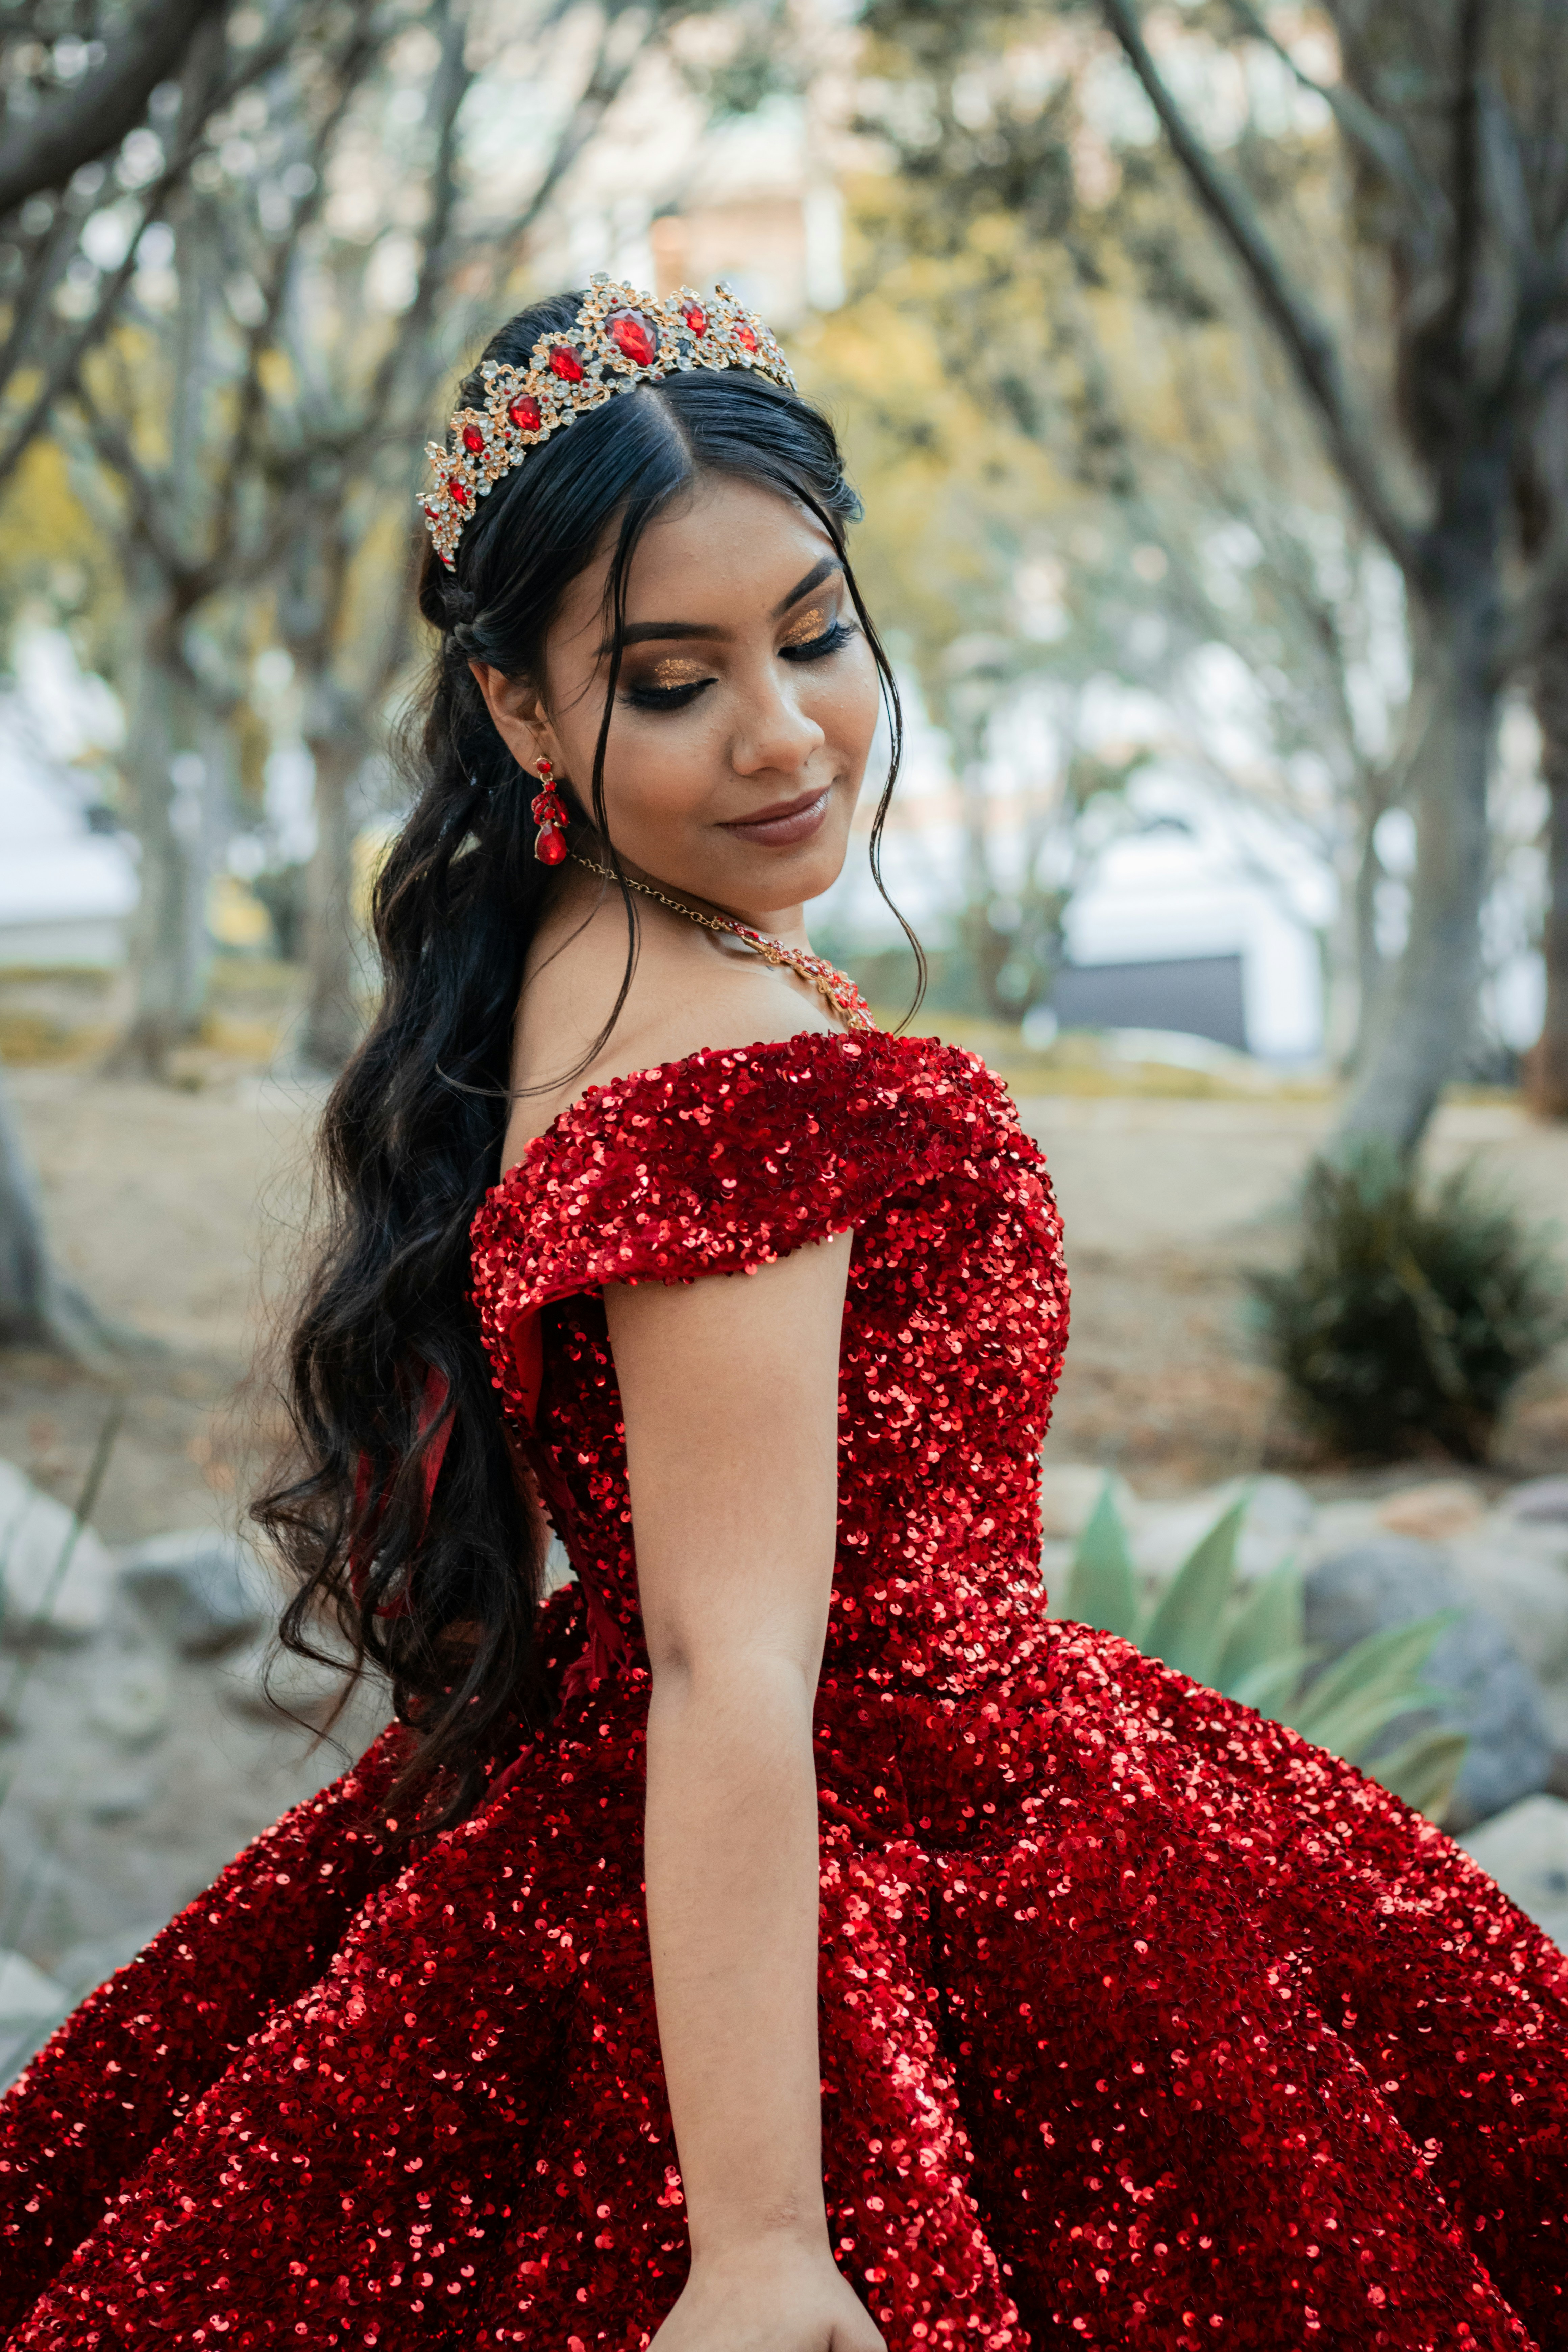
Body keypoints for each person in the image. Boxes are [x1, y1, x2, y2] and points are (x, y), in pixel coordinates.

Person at [1, 278, 1565, 2352]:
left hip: (747, 1804)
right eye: (673, 681)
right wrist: (755, 2241)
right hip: (889, 1848)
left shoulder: (559, 955)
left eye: (814, 635)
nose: (782, 731)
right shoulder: (743, 1069)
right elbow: (731, 1660)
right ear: (525, 715)